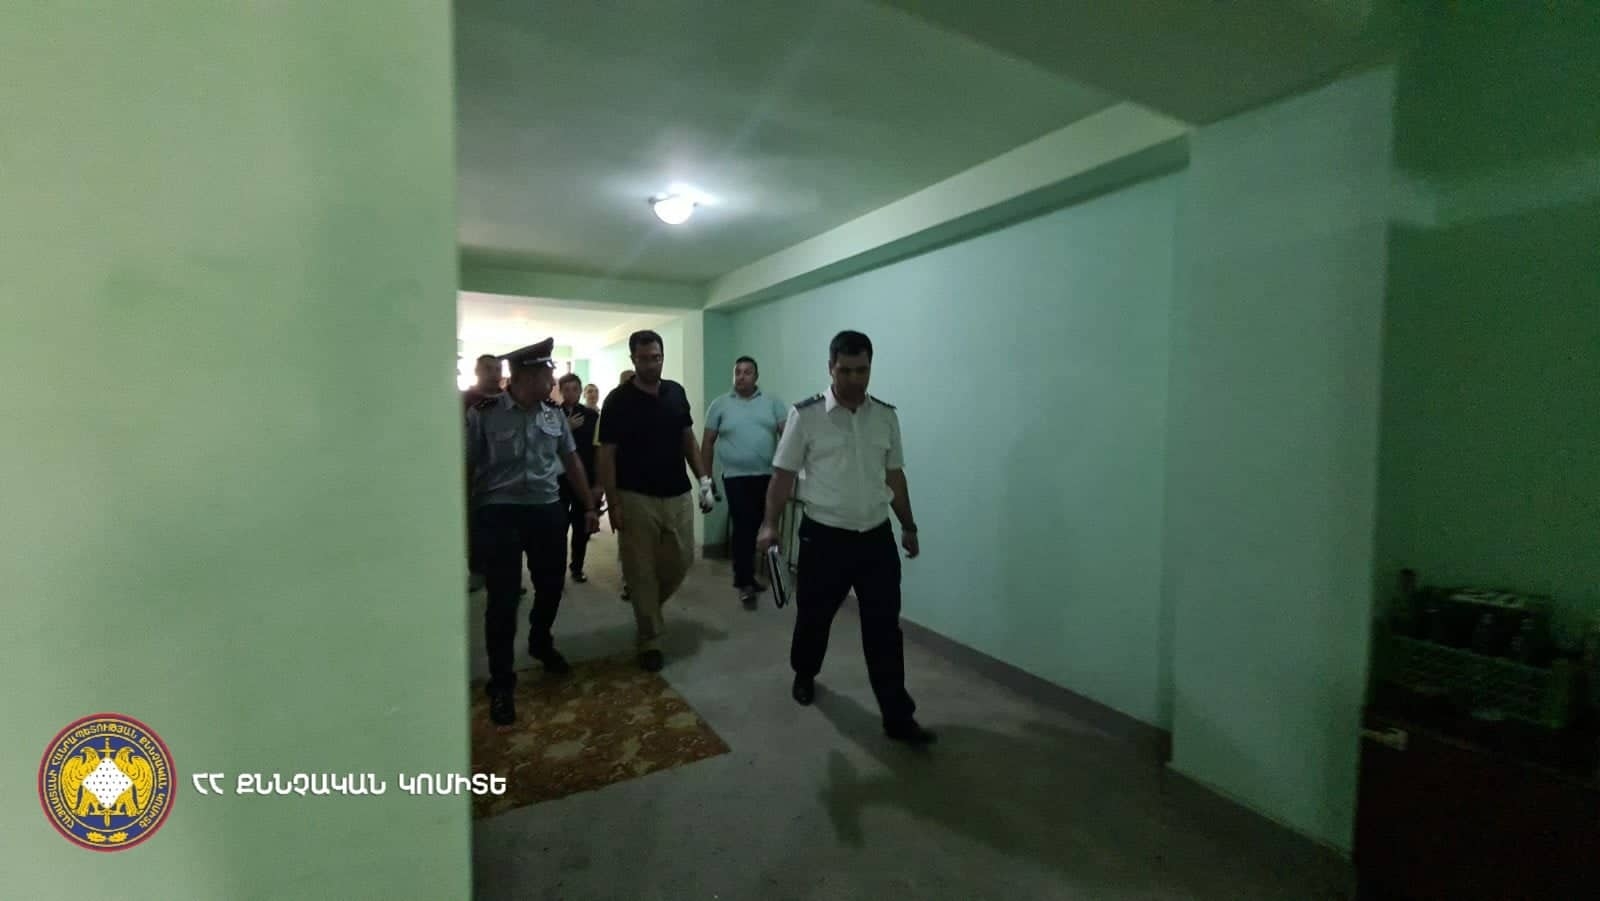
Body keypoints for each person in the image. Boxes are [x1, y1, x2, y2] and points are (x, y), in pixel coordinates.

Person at [757, 330, 934, 745]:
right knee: (814, 617)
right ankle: (805, 672)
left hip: (875, 538)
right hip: (824, 539)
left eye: (862, 370)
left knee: (884, 628)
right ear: (830, 368)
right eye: (845, 370)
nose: (855, 379)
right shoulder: (807, 415)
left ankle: (897, 715)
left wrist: (908, 525)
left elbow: (894, 476)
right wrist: (769, 523)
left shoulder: (885, 417)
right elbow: (782, 475)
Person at [465, 338, 600, 725]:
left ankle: (541, 641)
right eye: (546, 373)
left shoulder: (553, 415)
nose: (552, 380)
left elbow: (571, 460)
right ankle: (501, 682)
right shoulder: (484, 414)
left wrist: (589, 505)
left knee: (552, 586)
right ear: (524, 376)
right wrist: (464, 522)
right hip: (499, 512)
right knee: (503, 599)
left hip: (546, 509)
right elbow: (467, 467)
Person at [595, 330, 715, 671]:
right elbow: (606, 454)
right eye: (645, 358)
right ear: (633, 359)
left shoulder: (675, 392)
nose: (652, 364)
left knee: (682, 559)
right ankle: (650, 639)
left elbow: (688, 439)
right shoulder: (618, 400)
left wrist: (704, 480)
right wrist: (613, 502)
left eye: (657, 357)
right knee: (640, 569)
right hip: (635, 496)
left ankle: (647, 608)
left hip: (677, 493)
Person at [701, 356, 787, 608]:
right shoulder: (720, 405)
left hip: (768, 477)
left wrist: (789, 473)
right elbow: (707, 443)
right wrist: (706, 480)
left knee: (764, 525)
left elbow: (788, 436)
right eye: (737, 371)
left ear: (756, 376)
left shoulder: (772, 403)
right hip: (735, 478)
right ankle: (744, 581)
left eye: (747, 372)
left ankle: (755, 575)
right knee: (744, 527)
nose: (741, 376)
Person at [462, 354, 506, 592]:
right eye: (488, 368)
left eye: (498, 369)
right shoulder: (464, 400)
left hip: (504, 476)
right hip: (473, 474)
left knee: (506, 531)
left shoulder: (509, 400)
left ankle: (507, 574)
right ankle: (477, 570)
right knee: (477, 525)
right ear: (477, 371)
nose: (494, 373)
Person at [556, 372, 600, 582]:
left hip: (585, 477)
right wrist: (566, 427)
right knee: (559, 526)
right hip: (559, 479)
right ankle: (557, 569)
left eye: (575, 389)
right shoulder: (552, 414)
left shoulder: (591, 416)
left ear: (580, 391)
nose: (570, 393)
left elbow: (598, 450)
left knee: (582, 525)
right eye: (566, 389)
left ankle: (577, 567)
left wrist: (598, 483)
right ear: (560, 391)